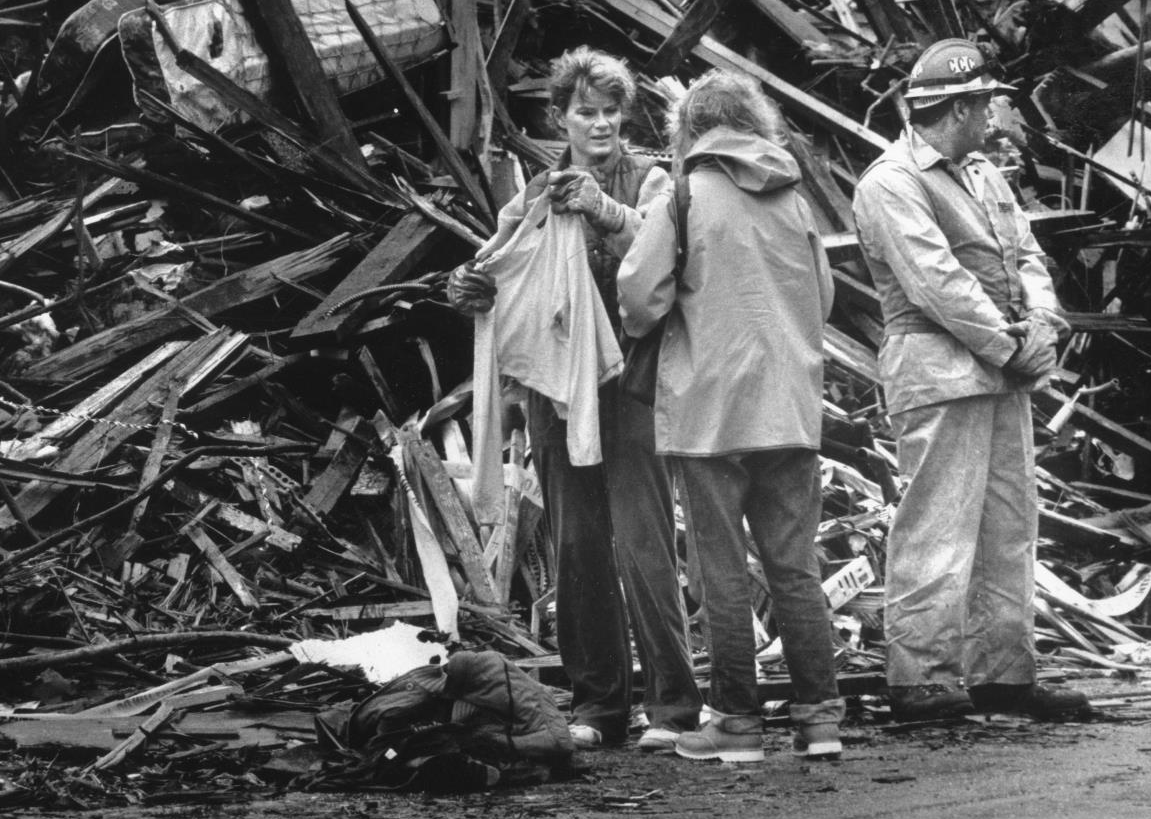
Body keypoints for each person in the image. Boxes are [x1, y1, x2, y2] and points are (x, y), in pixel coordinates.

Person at [447, 47, 702, 751]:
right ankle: (599, 706)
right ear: (558, 116)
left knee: (645, 541)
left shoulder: (653, 180)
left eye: (611, 113)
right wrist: (469, 286)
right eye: (584, 112)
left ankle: (675, 707)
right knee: (579, 546)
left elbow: (666, 250)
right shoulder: (536, 191)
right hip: (560, 390)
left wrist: (605, 209)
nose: (599, 125)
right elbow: (498, 261)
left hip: (633, 386)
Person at [850, 38, 1092, 723]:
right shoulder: (891, 182)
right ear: (956, 108)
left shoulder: (983, 173)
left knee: (1008, 527)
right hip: (941, 373)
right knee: (938, 525)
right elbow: (938, 284)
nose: (992, 117)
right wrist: (1013, 347)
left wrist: (1041, 323)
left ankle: (1002, 671)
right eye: (983, 104)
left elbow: (1026, 253)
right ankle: (921, 676)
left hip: (998, 373)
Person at [619, 70, 844, 763]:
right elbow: (826, 297)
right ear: (755, 123)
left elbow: (639, 293)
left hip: (710, 410)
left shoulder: (686, 195)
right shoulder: (794, 198)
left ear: (691, 128)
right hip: (791, 406)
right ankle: (820, 720)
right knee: (794, 565)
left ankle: (738, 722)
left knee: (721, 567)